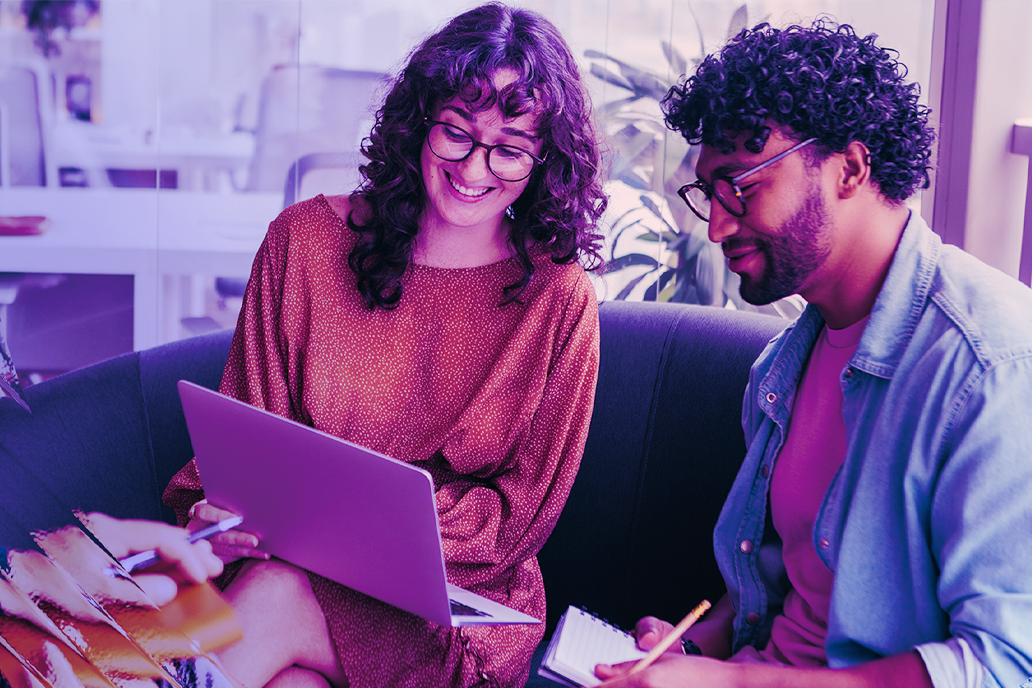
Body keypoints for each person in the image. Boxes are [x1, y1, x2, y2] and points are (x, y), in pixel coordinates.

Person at [163, 3, 607, 687]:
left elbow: (520, 518)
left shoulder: (557, 297)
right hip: (292, 577)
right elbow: (243, 441)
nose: (474, 167)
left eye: (511, 150)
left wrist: (374, 521)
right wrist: (221, 515)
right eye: (455, 133)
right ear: (418, 122)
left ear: (544, 160)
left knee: (280, 596)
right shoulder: (304, 244)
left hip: (459, 616)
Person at [595, 19, 1032, 688]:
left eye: (740, 184)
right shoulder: (778, 371)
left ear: (850, 168)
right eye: (708, 192)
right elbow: (785, 603)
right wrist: (693, 653)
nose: (715, 224)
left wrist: (733, 685)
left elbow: (1002, 666)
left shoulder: (989, 367)